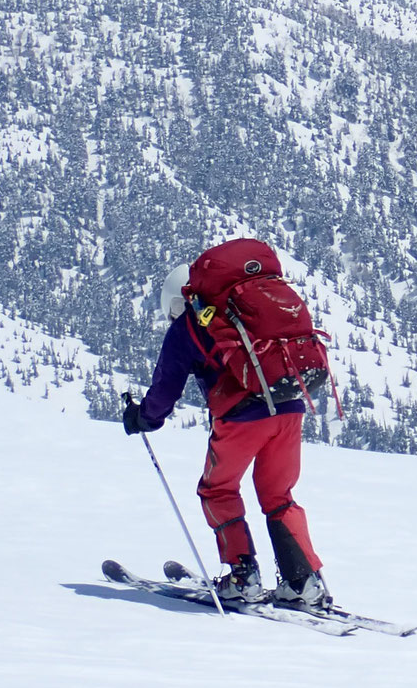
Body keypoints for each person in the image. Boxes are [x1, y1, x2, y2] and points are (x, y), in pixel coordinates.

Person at [122, 256, 331, 610]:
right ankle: (305, 581)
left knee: (217, 489)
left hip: (241, 417)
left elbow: (165, 390)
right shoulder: (242, 313)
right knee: (279, 495)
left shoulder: (188, 326)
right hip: (289, 406)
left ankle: (242, 576)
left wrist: (143, 418)